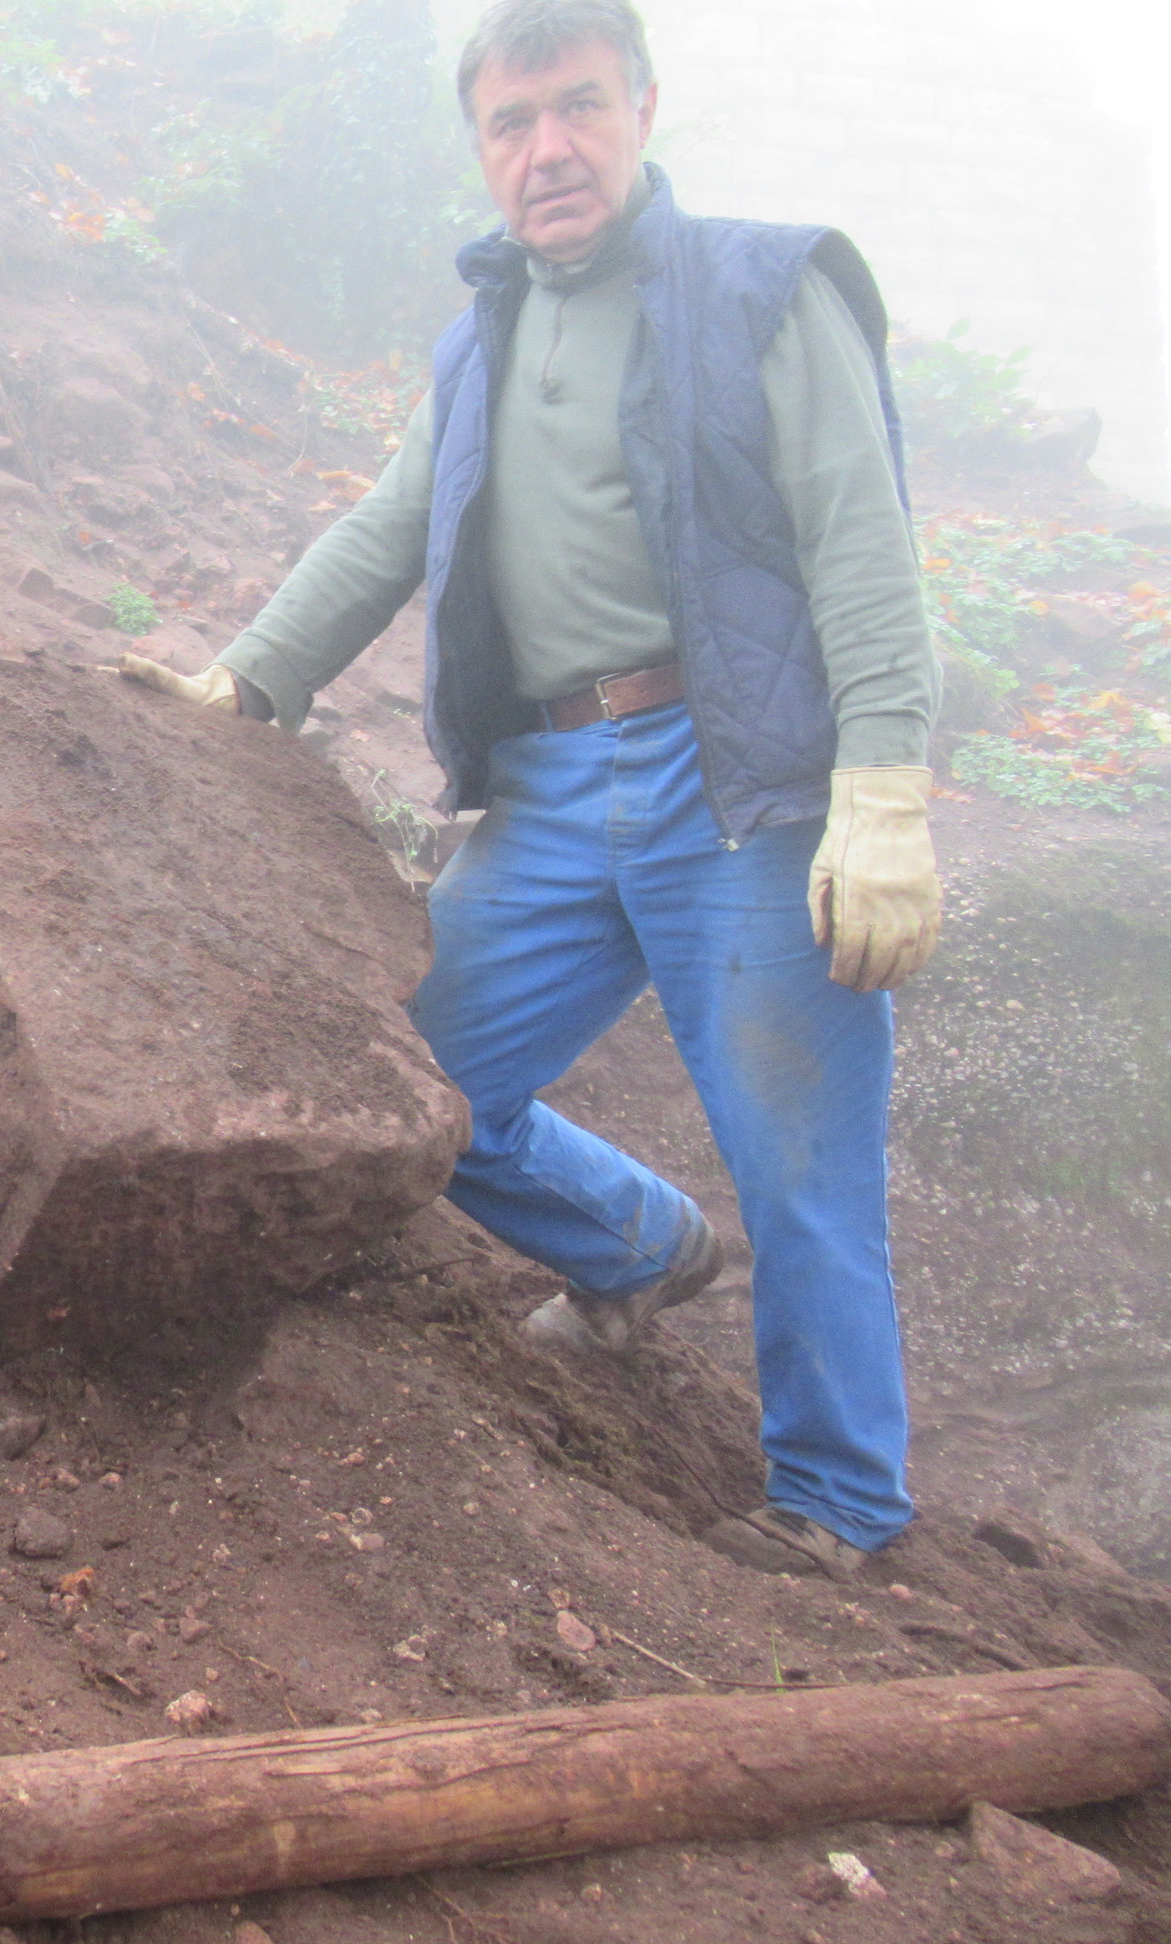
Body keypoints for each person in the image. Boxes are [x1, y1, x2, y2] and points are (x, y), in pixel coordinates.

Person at [124, 0, 941, 1581]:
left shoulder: (768, 289)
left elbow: (861, 536)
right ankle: (639, 1246)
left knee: (799, 1155)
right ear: (482, 148)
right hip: (556, 786)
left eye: (578, 107)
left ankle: (839, 1502)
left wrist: (886, 789)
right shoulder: (484, 336)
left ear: (643, 109)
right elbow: (388, 526)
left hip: (743, 786)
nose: (548, 149)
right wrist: (246, 682)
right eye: (513, 122)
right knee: (412, 1088)